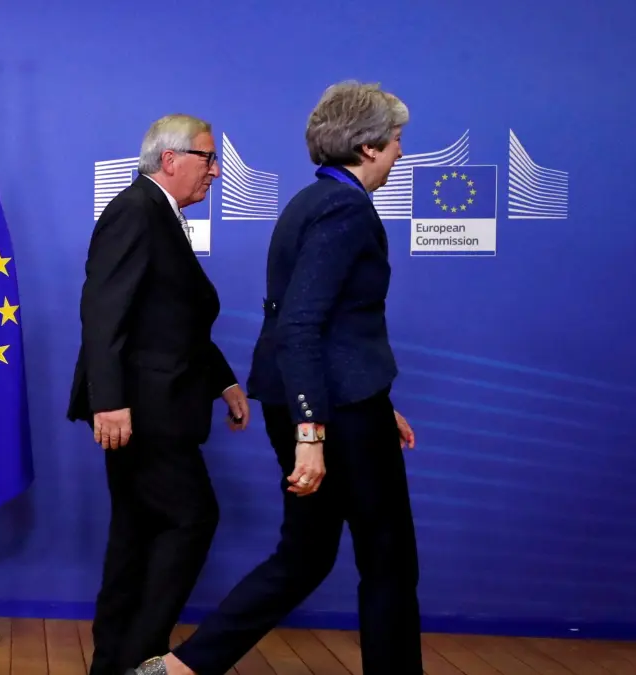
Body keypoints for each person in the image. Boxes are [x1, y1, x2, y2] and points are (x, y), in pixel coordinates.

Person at [129, 81, 423, 675]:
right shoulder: (344, 209)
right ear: (368, 147)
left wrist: (374, 402)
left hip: (329, 401)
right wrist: (313, 432)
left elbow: (330, 326)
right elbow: (302, 322)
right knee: (388, 560)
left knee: (304, 556)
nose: (400, 153)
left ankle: (178, 670)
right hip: (331, 413)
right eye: (395, 140)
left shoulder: (311, 201)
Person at [67, 113, 251, 675]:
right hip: (141, 410)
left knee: (136, 534)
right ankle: (142, 658)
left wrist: (222, 380)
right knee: (190, 517)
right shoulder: (136, 210)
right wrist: (108, 400)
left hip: (153, 404)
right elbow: (104, 311)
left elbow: (170, 318)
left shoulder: (159, 213)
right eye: (208, 158)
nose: (216, 171)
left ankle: (116, 663)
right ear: (170, 159)